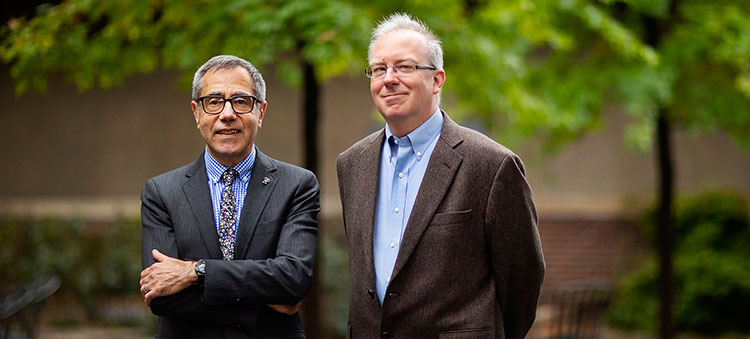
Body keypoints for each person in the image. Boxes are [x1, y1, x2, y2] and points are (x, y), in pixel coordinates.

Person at [337, 13, 545, 338]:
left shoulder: (490, 165)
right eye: (379, 69)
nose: (388, 79)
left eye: (404, 67)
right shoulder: (352, 164)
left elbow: (522, 279)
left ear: (437, 80)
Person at [139, 55, 319, 338]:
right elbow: (162, 296)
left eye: (241, 101)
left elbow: (293, 280)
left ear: (260, 112)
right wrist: (259, 303)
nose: (227, 114)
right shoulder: (162, 192)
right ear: (196, 113)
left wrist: (195, 272)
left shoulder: (296, 185)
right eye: (213, 101)